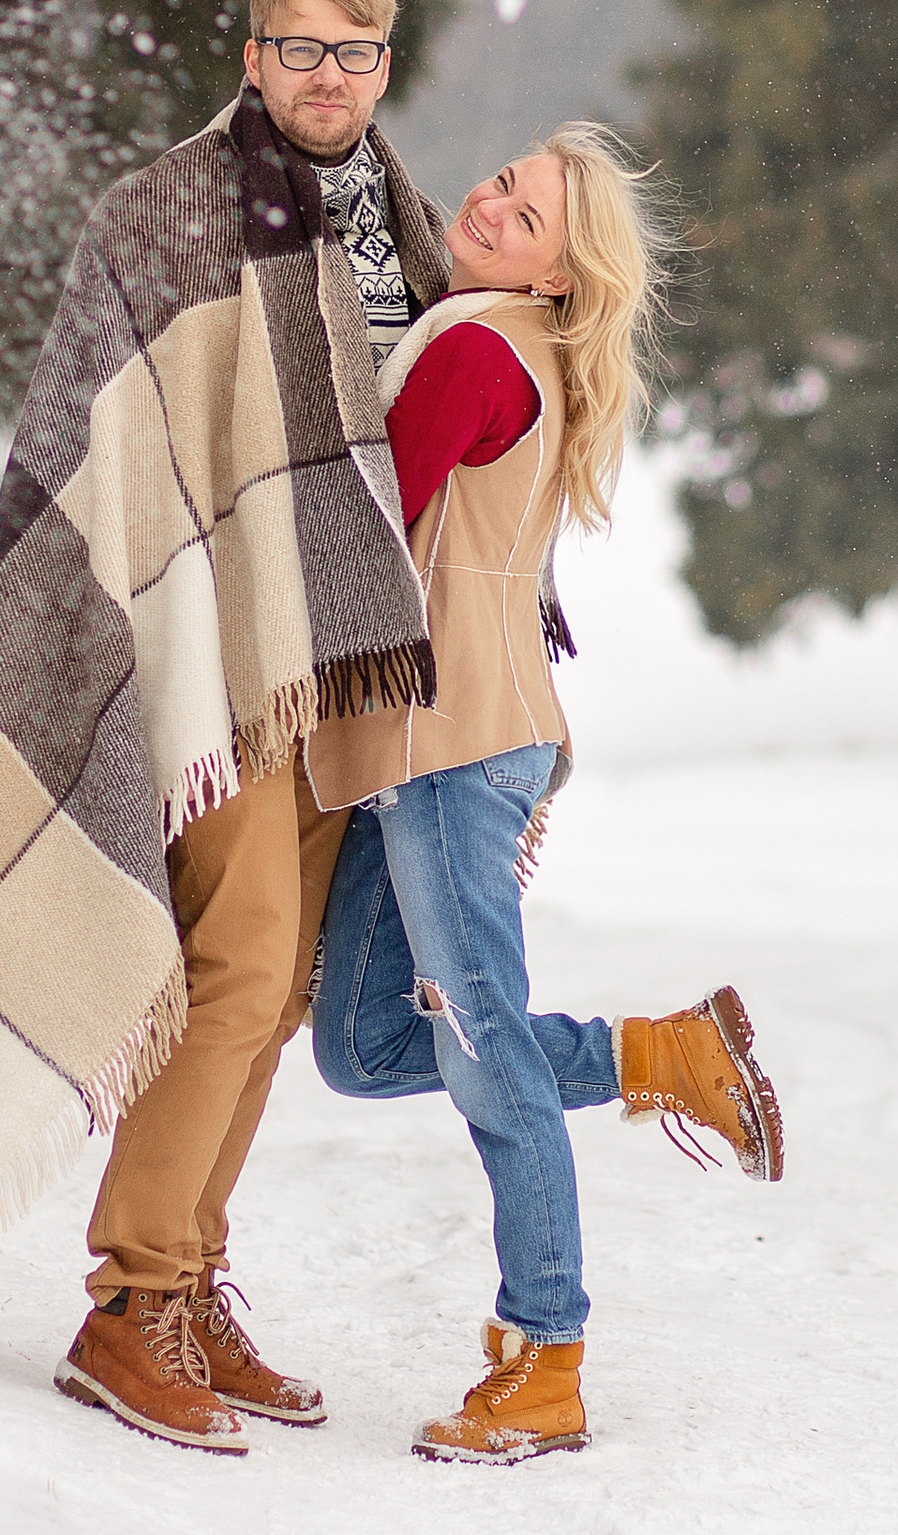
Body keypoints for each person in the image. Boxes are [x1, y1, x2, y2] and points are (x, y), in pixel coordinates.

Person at [0, 0, 446, 1453]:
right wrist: (176, 617)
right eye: (301, 48)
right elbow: (107, 450)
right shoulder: (163, 216)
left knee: (281, 988)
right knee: (239, 960)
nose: (328, 76)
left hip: (340, 658)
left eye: (355, 53)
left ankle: (191, 1282)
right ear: (253, 55)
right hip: (211, 653)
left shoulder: (405, 225)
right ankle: (127, 1305)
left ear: (385, 67)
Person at [306, 126, 785, 1464]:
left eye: (525, 216)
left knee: (486, 1053)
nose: (492, 203)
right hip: (433, 741)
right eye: (506, 182)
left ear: (561, 275)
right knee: (361, 1049)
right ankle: (663, 1056)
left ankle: (545, 1358)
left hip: (454, 744)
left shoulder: (475, 352)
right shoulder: (509, 341)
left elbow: (364, 523)